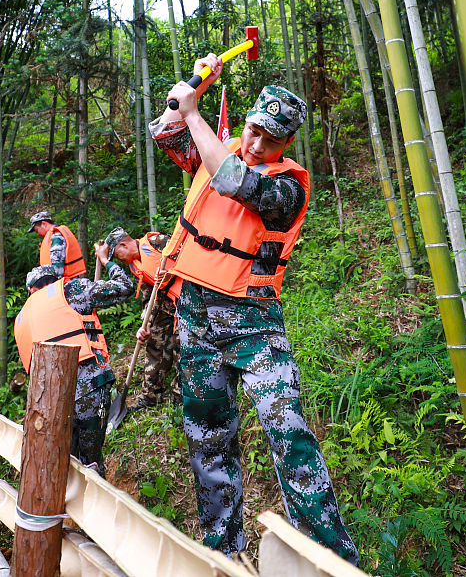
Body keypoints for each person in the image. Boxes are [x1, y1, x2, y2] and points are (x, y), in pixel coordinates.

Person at [151, 58, 358, 564]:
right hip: (195, 316)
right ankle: (224, 551)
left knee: (286, 428)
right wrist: (196, 86)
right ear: (243, 120)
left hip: (253, 322)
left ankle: (333, 559)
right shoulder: (215, 149)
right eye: (252, 130)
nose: (256, 144)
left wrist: (196, 115)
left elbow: (233, 181)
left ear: (287, 144)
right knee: (207, 437)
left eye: (270, 139)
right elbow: (163, 129)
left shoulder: (288, 187)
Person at [14, 229, 134, 477]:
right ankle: (97, 508)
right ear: (56, 279)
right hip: (89, 389)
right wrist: (106, 261)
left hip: (48, 404)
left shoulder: (21, 318)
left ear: (30, 291)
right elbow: (124, 287)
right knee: (91, 464)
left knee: (65, 466)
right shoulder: (69, 290)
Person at [109, 228, 179, 411]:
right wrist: (146, 323)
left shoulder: (157, 241)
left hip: (186, 299)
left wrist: (173, 272)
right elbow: (149, 295)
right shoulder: (136, 265)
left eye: (117, 255)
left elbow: (189, 256)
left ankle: (179, 399)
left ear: (123, 245)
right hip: (164, 304)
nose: (119, 260)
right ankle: (151, 396)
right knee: (154, 342)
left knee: (182, 347)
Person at [28, 211, 87, 281]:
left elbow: (58, 268)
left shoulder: (56, 237)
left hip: (64, 284)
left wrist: (50, 283)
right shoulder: (54, 235)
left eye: (37, 230)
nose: (37, 234)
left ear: (44, 224)